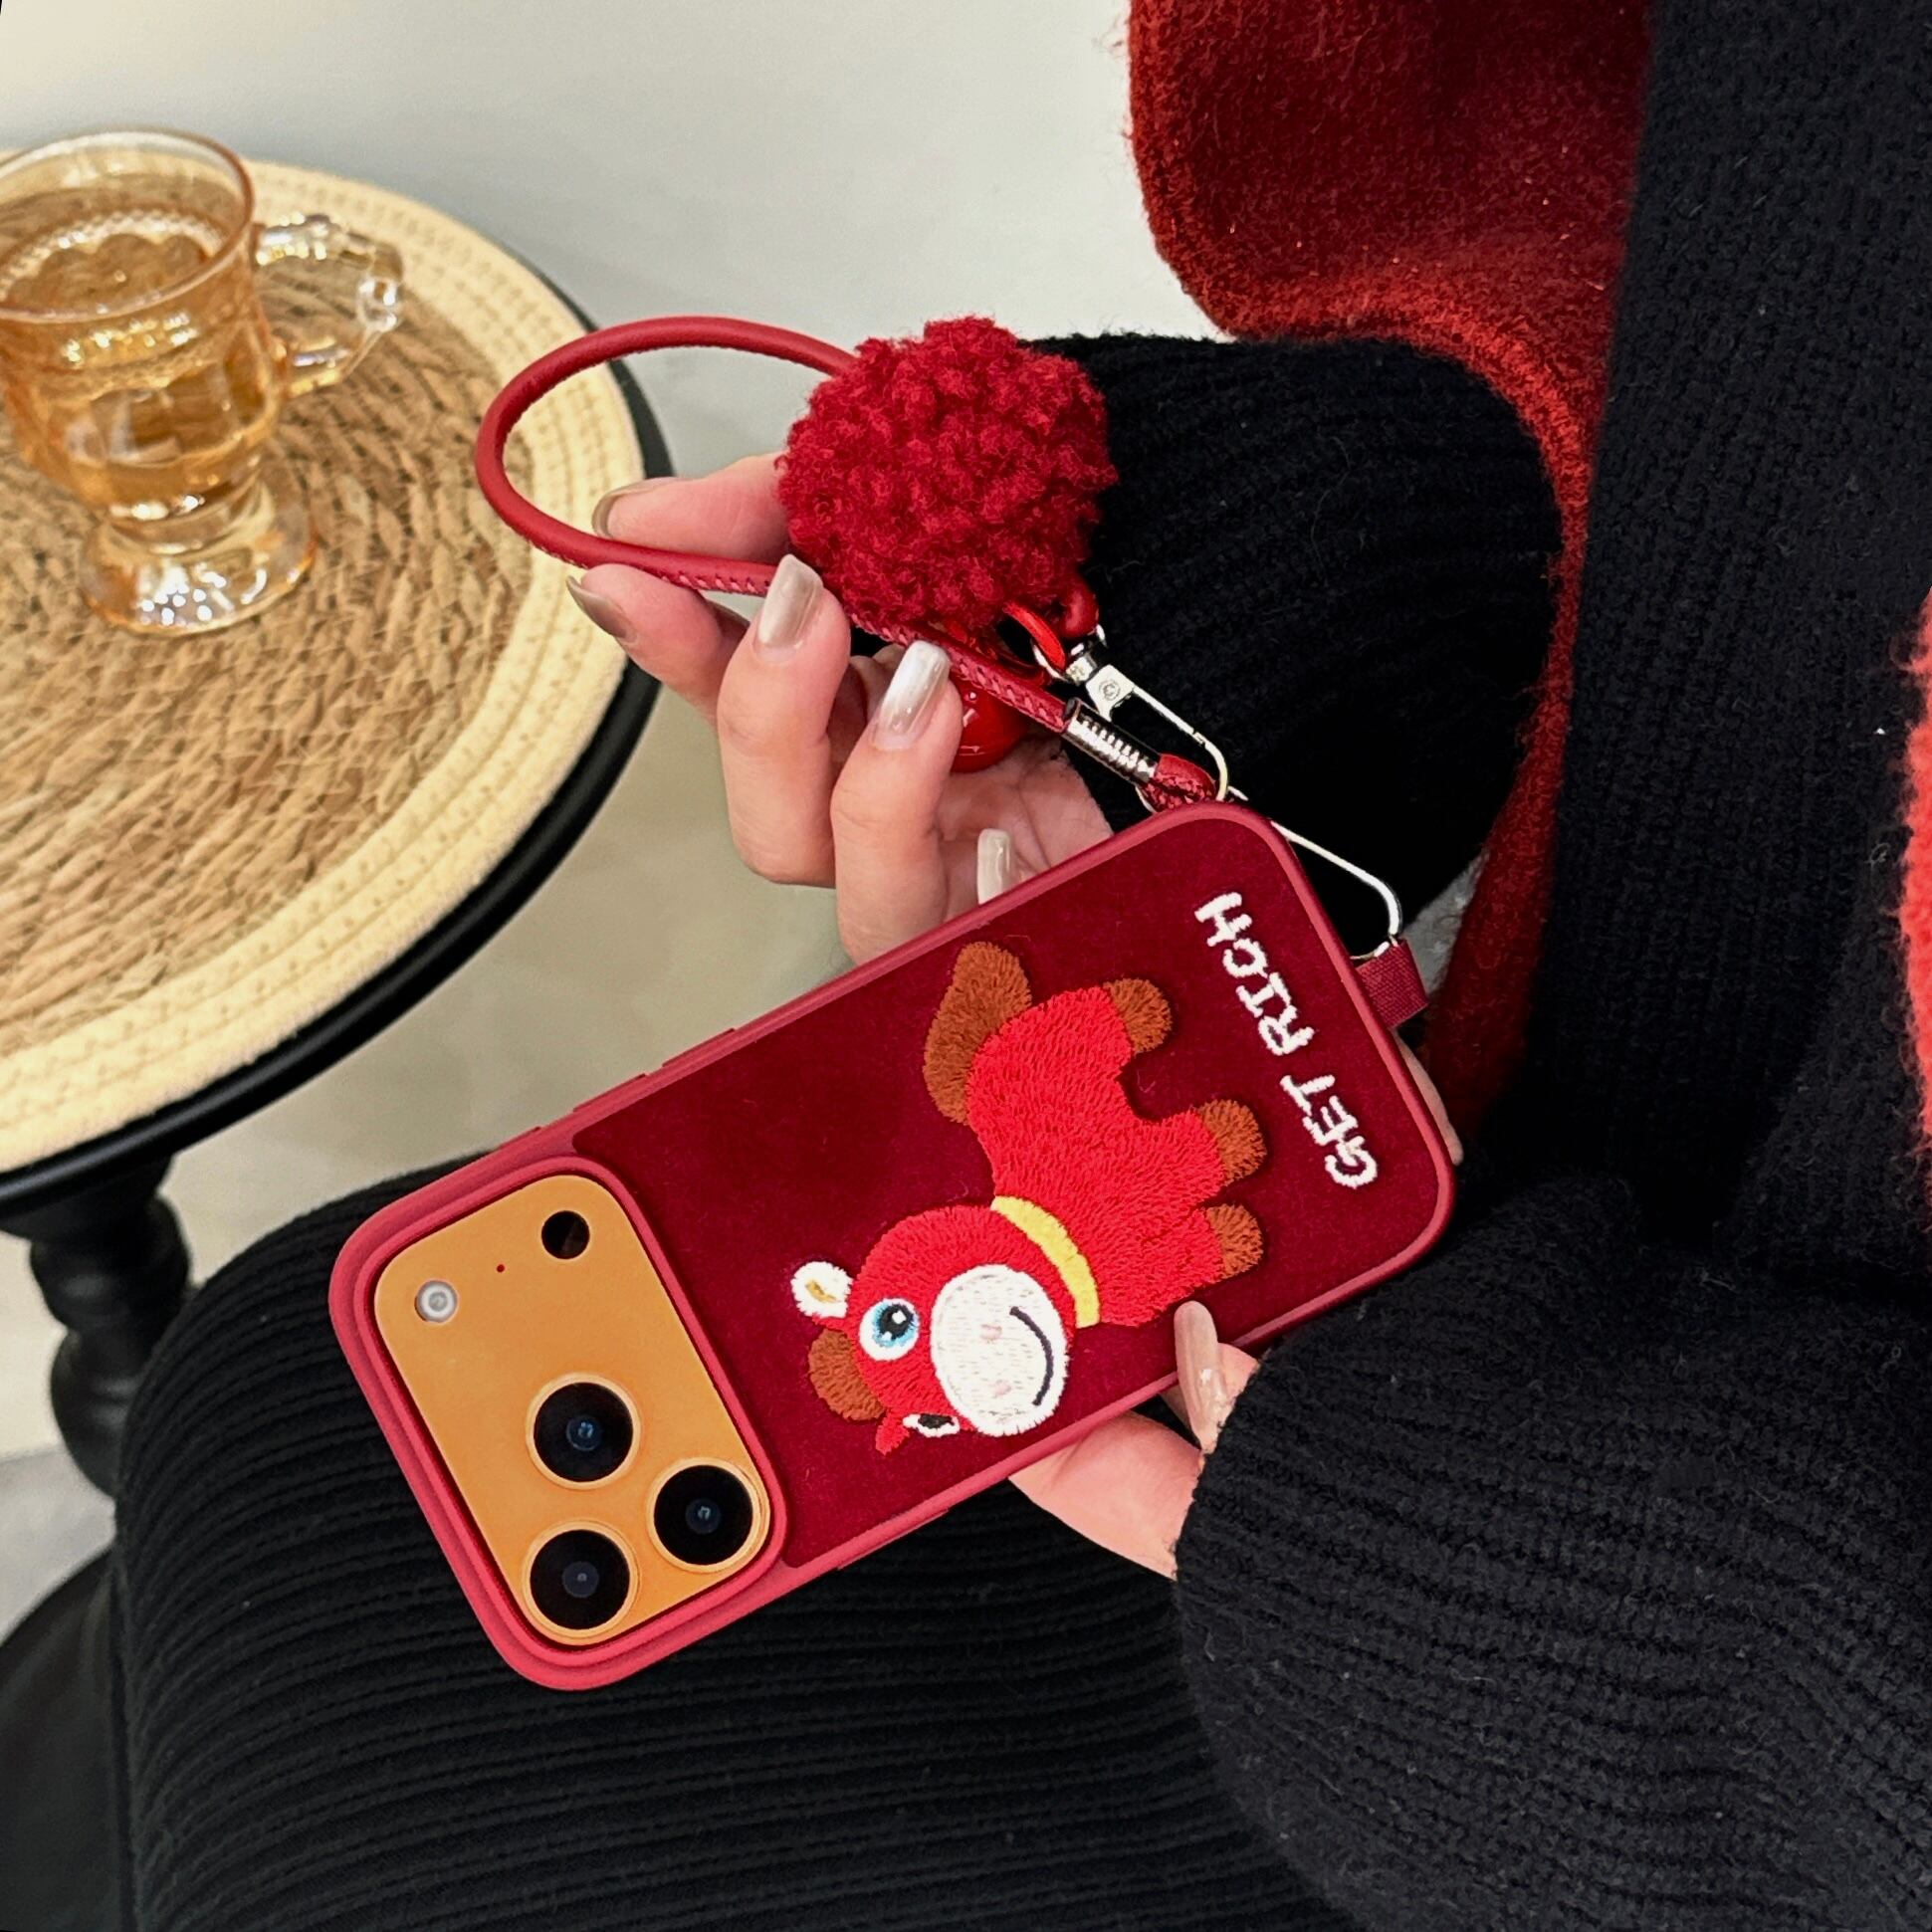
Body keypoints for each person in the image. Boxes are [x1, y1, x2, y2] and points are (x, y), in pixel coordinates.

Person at [101, 0, 1932, 1926]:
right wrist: (1397, 543)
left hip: (1663, 1700)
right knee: (276, 1418)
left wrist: (1708, 1660)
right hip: (1516, 1220)